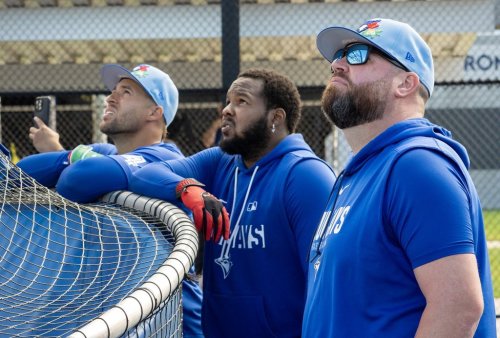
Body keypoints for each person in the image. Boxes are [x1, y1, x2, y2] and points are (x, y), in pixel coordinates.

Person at [303, 18, 496, 337]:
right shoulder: (357, 173)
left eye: (358, 54)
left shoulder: (416, 165)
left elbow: (458, 307)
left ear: (405, 83)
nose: (337, 64)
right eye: (339, 56)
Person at [125, 68, 336, 337]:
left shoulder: (306, 175)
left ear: (276, 117)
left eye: (242, 101)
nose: (227, 110)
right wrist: (187, 188)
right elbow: (143, 175)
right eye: (228, 101)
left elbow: (327, 286)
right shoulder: (220, 162)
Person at [17, 64, 204, 338]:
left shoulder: (166, 157)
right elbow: (21, 172)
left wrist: (73, 159)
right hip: (119, 304)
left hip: (171, 314)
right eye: (113, 91)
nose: (111, 98)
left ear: (154, 112)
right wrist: (69, 156)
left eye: (126, 92)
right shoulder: (107, 151)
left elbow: (75, 181)